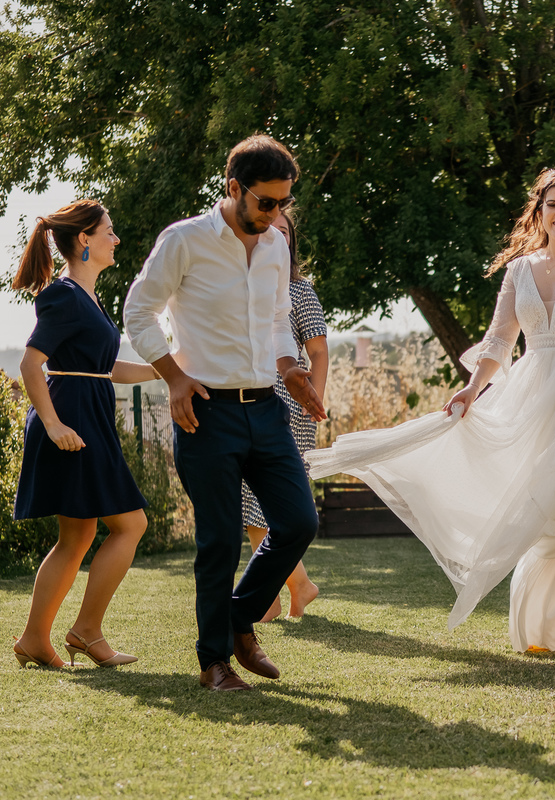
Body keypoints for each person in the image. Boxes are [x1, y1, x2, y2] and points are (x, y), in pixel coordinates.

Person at [306, 168, 555, 655]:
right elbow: (500, 339)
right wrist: (472, 388)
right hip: (536, 396)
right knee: (540, 504)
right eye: (553, 204)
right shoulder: (520, 270)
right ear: (540, 210)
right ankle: (536, 630)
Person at [124, 135, 325, 691]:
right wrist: (174, 375)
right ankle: (214, 660)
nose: (276, 214)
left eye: (283, 203)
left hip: (266, 408)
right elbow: (138, 311)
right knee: (219, 538)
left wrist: (291, 370)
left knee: (299, 522)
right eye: (267, 202)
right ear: (234, 188)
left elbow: (280, 319)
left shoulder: (275, 245)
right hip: (205, 412)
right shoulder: (184, 241)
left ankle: (239, 620)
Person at [10, 200, 157, 669]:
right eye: (109, 232)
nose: (116, 239)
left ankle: (36, 639)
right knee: (130, 524)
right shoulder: (64, 295)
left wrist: (166, 371)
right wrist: (53, 425)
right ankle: (86, 631)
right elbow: (31, 365)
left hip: (87, 412)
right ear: (84, 240)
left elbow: (104, 369)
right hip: (70, 420)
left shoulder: (88, 299)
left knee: (77, 537)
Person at [240, 211, 326, 621]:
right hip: (245, 401)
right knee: (251, 501)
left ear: (290, 241)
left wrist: (314, 403)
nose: (274, 232)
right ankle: (293, 587)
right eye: (268, 224)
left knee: (266, 503)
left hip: (290, 406)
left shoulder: (299, 290)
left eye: (284, 229)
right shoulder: (244, 285)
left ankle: (276, 594)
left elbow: (320, 352)